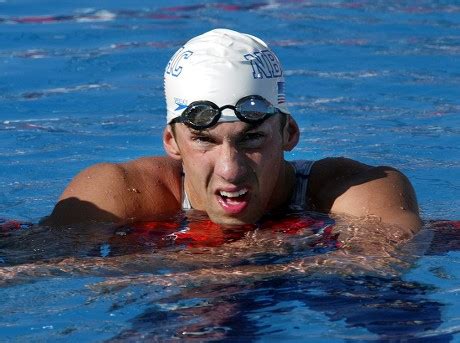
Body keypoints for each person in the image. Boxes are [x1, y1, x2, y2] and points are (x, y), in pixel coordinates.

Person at [42, 29, 421, 238]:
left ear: (289, 133)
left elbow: (381, 275)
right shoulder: (118, 192)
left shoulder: (359, 189)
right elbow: (31, 271)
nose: (230, 170)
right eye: (204, 140)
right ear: (172, 142)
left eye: (251, 139)